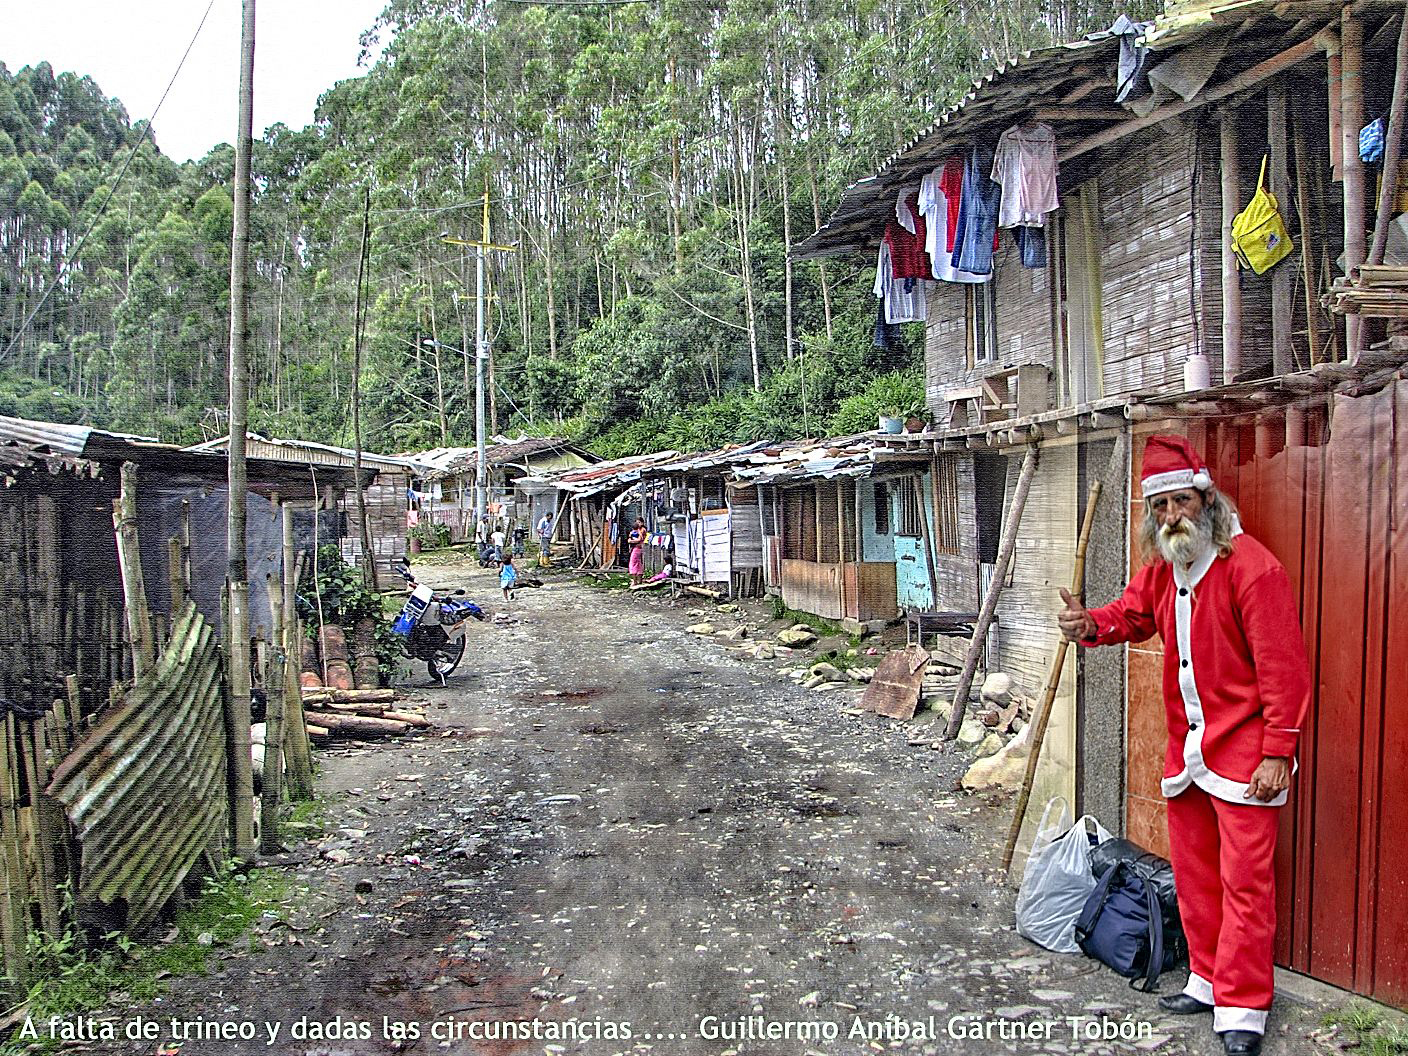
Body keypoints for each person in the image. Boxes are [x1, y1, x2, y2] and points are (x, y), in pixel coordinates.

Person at [1057, 435, 1309, 1056]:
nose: (1172, 515)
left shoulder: (1253, 569)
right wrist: (1090, 623)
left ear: (1207, 499)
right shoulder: (1166, 572)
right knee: (1196, 876)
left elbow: (1284, 669)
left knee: (1245, 881)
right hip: (1189, 752)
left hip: (1247, 755)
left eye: (1181, 501)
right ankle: (1206, 979)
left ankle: (1245, 1008)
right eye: (1161, 506)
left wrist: (1278, 749)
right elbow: (1131, 614)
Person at [627, 517, 647, 587]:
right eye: (637, 522)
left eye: (639, 522)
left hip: (638, 548)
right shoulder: (636, 530)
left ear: (642, 523)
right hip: (635, 548)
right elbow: (630, 536)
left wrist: (631, 541)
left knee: (633, 563)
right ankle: (639, 580)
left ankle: (635, 581)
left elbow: (640, 539)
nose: (638, 524)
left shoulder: (642, 530)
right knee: (638, 564)